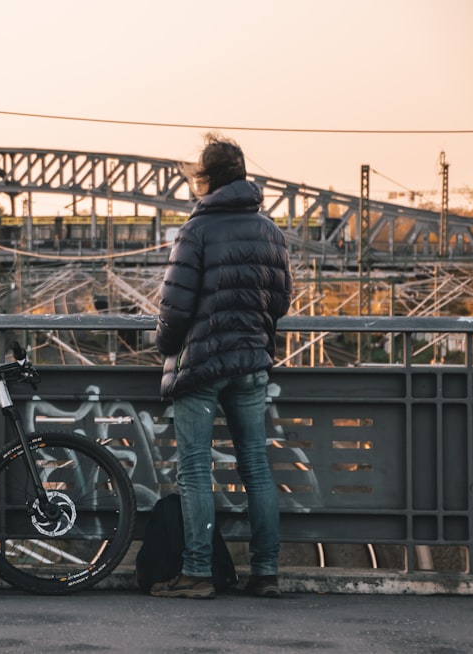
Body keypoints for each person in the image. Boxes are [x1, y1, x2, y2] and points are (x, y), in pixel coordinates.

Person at [151, 134, 291, 600]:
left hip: (203, 365)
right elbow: (280, 301)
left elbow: (175, 307)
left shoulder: (197, 231)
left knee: (194, 469)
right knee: (256, 465)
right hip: (251, 362)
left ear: (205, 180)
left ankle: (196, 573)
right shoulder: (270, 231)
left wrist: (165, 347)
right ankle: (265, 572)